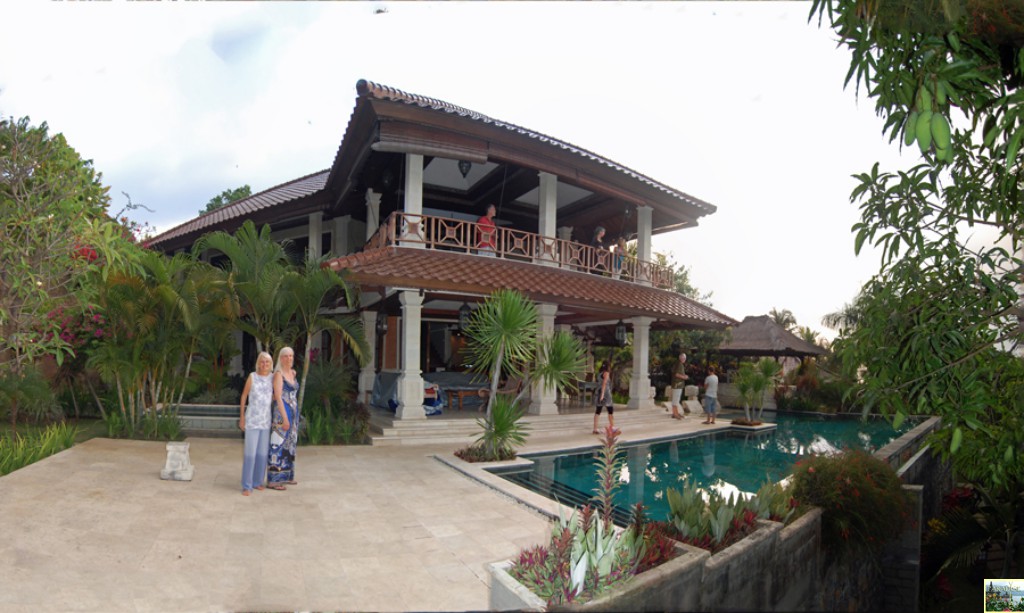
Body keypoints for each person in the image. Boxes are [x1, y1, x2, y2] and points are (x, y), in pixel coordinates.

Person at [239, 351, 274, 496]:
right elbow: (244, 396)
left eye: (267, 362)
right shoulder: (252, 377)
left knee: (262, 454)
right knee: (250, 454)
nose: (264, 364)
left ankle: (257, 481)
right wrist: (242, 417)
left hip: (265, 421)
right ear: (258, 363)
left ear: (271, 364)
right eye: (262, 361)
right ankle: (247, 486)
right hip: (252, 421)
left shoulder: (273, 377)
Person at [267, 346, 296, 490]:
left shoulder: (293, 373)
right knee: (278, 444)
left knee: (290, 445)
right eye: (286, 356)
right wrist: (285, 418)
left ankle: (287, 475)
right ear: (281, 358)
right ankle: (274, 480)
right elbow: (278, 397)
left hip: (293, 413)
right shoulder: (278, 374)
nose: (288, 358)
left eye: (291, 356)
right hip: (281, 414)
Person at [592, 360, 619, 435]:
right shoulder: (606, 373)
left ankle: (595, 429)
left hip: (598, 392)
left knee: (598, 411)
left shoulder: (600, 373)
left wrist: (600, 394)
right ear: (608, 366)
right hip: (606, 394)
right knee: (610, 411)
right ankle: (613, 428)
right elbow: (604, 383)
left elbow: (600, 383)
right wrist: (603, 394)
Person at [670, 352, 689, 420]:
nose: (684, 359)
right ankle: (675, 414)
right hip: (677, 385)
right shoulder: (679, 364)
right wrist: (684, 377)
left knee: (676, 400)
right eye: (684, 358)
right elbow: (676, 374)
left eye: (685, 358)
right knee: (676, 400)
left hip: (677, 385)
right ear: (681, 358)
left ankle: (675, 413)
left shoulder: (678, 364)